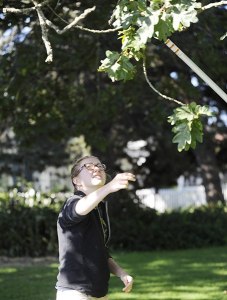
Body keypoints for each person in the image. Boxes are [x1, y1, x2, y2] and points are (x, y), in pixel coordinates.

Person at [55, 155, 136, 300]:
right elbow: (79, 209)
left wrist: (121, 273)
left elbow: (101, 252)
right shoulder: (73, 202)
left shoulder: (97, 209)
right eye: (88, 166)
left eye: (99, 165)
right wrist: (109, 187)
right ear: (76, 181)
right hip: (75, 293)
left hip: (99, 293)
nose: (96, 168)